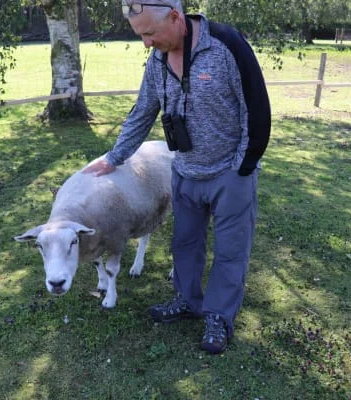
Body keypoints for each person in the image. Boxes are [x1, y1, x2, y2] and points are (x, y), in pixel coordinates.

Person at [83, 0, 271, 354]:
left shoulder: (226, 45)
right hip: (184, 172)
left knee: (230, 252)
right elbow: (142, 112)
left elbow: (257, 109)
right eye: (140, 36)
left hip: (229, 172)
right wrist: (113, 158)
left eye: (150, 33)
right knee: (184, 244)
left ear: (175, 17)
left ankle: (219, 316)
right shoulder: (157, 60)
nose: (146, 43)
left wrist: (243, 167)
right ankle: (187, 300)